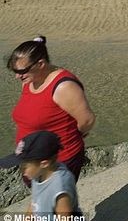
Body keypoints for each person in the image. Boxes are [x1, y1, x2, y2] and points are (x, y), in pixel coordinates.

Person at [6, 36, 95, 182]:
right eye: (14, 70)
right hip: (32, 159)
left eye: (22, 71)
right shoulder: (30, 80)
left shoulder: (64, 87)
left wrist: (75, 134)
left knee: (57, 196)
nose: (17, 76)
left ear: (40, 64)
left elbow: (87, 120)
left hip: (58, 162)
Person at [0, 131, 82, 220]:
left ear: (44, 164)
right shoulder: (39, 174)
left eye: (25, 167)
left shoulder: (60, 187)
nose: (23, 172)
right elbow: (35, 203)